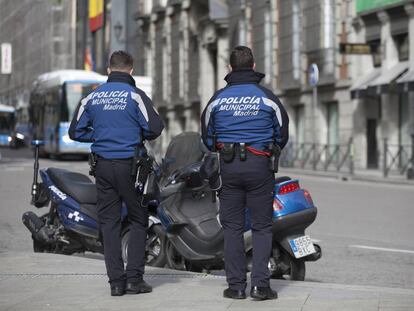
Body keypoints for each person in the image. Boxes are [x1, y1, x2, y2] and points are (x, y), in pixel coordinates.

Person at [69, 51, 164, 296]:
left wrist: (100, 135)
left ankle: (116, 283)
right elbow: (155, 128)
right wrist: (133, 133)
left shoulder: (92, 97)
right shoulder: (136, 96)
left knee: (109, 222)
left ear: (109, 70)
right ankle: (134, 279)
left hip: (102, 167)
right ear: (131, 71)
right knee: (138, 219)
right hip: (130, 167)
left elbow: (75, 132)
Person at [201, 46, 289, 300]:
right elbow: (281, 134)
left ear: (229, 69)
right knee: (262, 227)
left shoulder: (218, 99)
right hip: (260, 166)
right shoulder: (267, 97)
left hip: (228, 169)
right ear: (253, 66)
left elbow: (207, 138)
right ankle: (261, 286)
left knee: (232, 228)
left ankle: (236, 286)